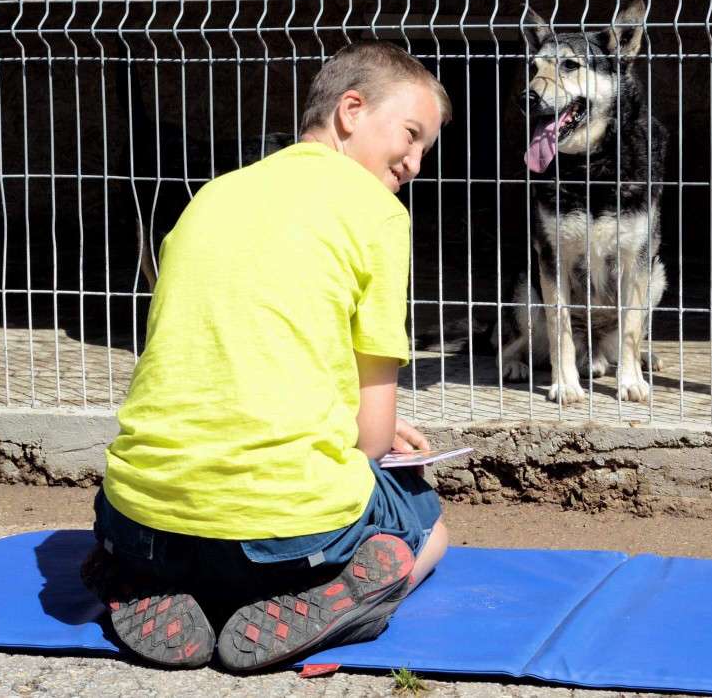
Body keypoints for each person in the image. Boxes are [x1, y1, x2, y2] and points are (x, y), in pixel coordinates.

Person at [82, 39, 453, 672]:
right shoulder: (379, 216)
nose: (415, 163)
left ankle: (136, 583)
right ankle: (341, 594)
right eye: (412, 135)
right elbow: (369, 441)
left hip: (141, 525)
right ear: (351, 110)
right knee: (427, 519)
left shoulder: (212, 196)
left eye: (425, 151)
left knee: (180, 523)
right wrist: (384, 433)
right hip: (288, 536)